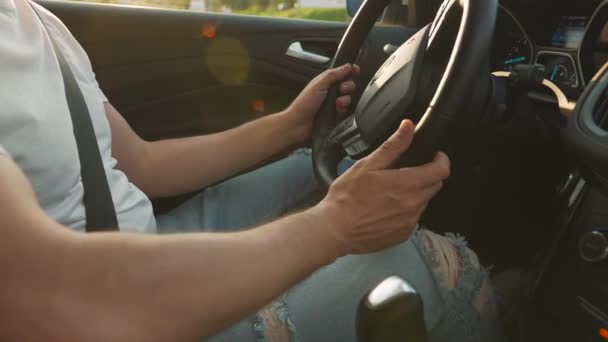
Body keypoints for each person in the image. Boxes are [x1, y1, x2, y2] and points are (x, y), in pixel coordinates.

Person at [0, 0, 506, 341]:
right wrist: (335, 226)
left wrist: (288, 127)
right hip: (110, 309)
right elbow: (56, 301)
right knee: (436, 267)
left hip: (145, 237)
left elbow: (141, 164)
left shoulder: (37, 20)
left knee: (345, 168)